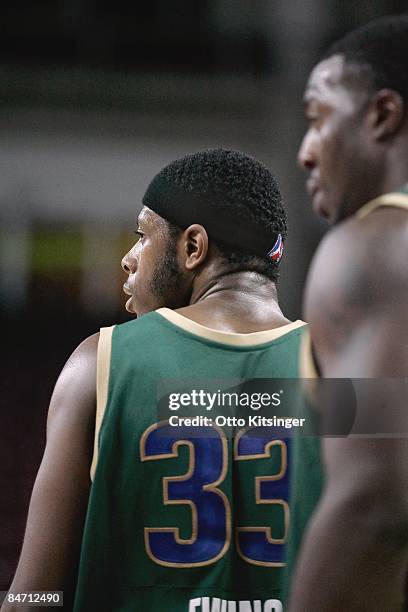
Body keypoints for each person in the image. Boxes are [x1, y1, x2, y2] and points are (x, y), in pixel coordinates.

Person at [1, 149, 306, 612]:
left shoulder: (100, 364)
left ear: (192, 248)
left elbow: (32, 598)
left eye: (142, 237)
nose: (128, 259)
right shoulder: (341, 371)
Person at [286, 15, 408, 611]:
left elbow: (375, 502)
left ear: (382, 116)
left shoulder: (372, 247)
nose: (305, 152)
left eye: (317, 118)